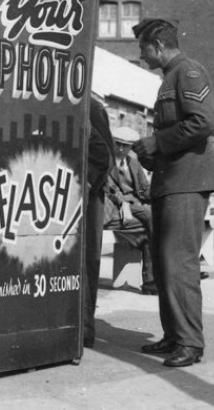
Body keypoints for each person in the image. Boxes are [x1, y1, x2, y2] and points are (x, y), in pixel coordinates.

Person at [132, 18, 214, 367]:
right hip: (170, 181)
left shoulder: (188, 71)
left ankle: (190, 343)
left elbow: (203, 122)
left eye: (144, 49)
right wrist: (151, 154)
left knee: (178, 262)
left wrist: (157, 142)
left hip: (186, 182)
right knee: (166, 265)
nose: (141, 55)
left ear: (159, 45)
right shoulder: (168, 77)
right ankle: (174, 336)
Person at [105, 126, 157, 295]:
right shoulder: (107, 161)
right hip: (117, 207)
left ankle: (150, 282)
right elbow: (110, 188)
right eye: (118, 144)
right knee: (151, 217)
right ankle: (166, 269)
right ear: (113, 143)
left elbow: (144, 188)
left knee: (151, 230)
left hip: (135, 206)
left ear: (130, 147)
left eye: (125, 146)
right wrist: (123, 202)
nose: (121, 148)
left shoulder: (133, 162)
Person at [83, 97, 115, 348]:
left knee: (86, 261)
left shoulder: (91, 107)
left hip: (88, 195)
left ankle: (84, 328)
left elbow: (105, 155)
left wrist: (83, 187)